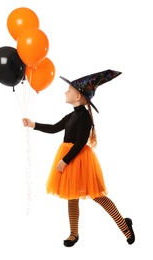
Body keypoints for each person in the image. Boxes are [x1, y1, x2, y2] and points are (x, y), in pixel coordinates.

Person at [22, 69, 135, 247]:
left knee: (98, 196)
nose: (65, 92)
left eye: (69, 90)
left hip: (79, 159)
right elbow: (53, 127)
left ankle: (125, 226)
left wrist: (64, 160)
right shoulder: (71, 116)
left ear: (78, 97)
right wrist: (33, 124)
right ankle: (73, 233)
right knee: (71, 196)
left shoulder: (85, 117)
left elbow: (81, 142)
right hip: (70, 158)